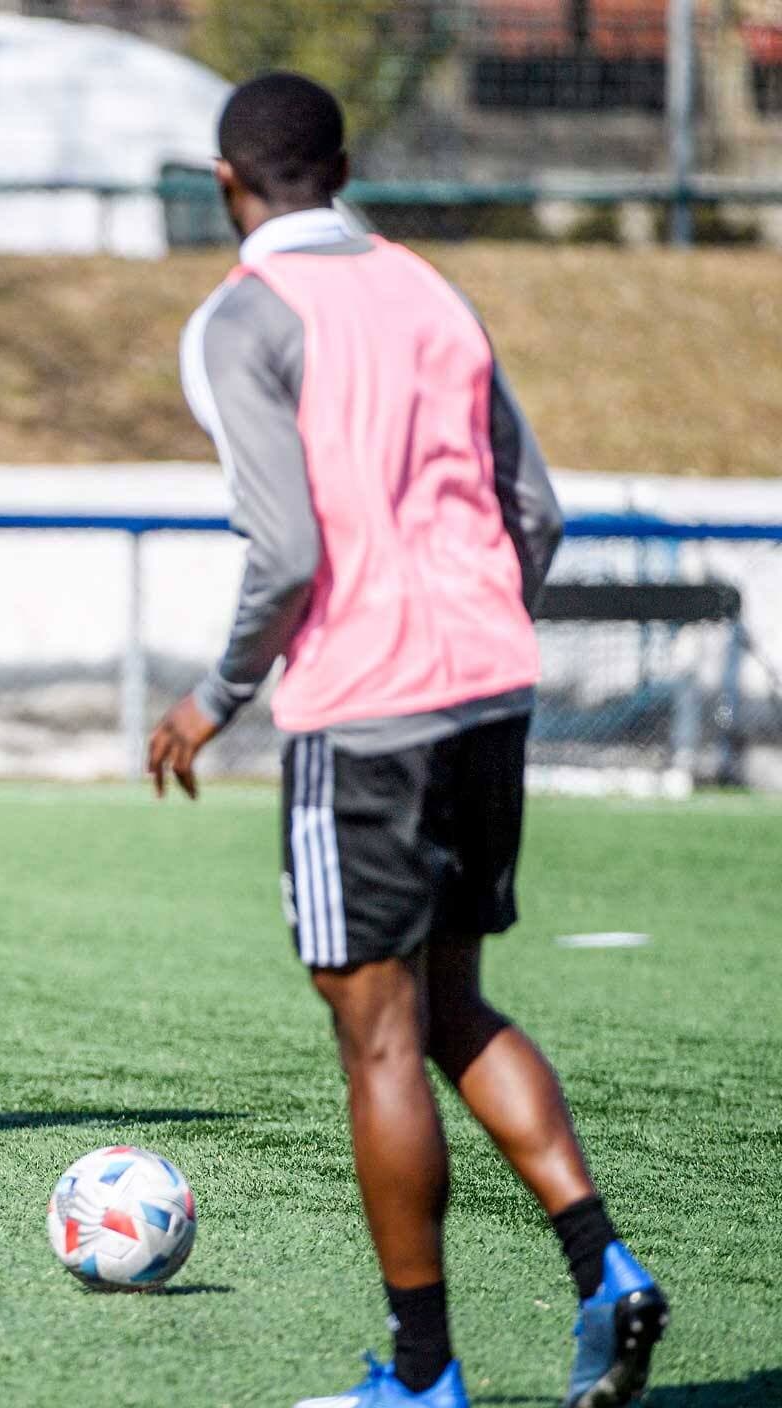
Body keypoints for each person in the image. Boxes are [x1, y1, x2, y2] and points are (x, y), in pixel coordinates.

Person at [152, 74, 666, 1408]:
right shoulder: (434, 290)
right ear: (343, 168)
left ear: (227, 183)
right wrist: (472, 630)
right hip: (490, 694)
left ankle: (424, 1378)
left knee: (378, 1039)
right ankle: (604, 1269)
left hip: (364, 713)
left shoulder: (243, 319)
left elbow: (286, 553)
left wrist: (214, 697)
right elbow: (531, 510)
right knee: (449, 1005)